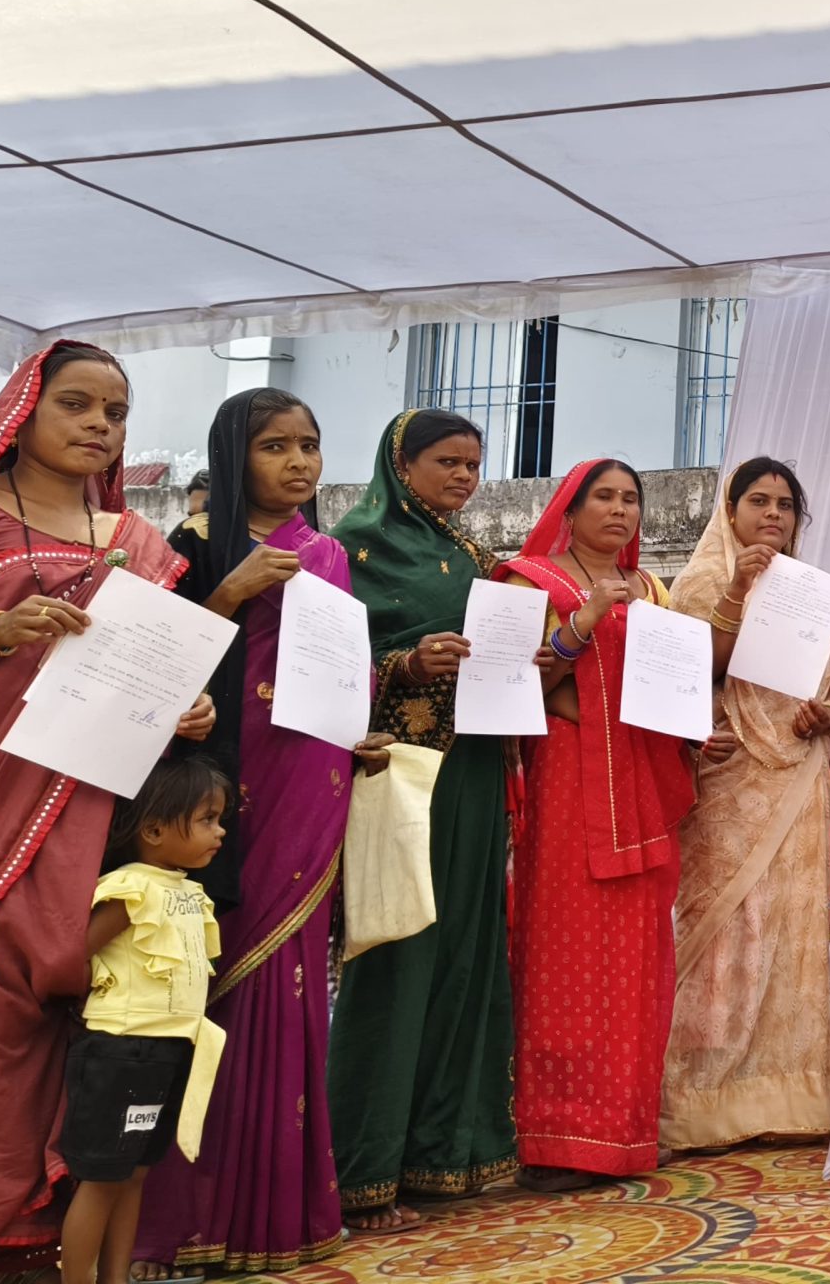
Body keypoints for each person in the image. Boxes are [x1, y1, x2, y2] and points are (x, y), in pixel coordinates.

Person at [0, 343, 215, 1284]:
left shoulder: (136, 540)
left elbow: (141, 673)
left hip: (86, 810)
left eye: (115, 410)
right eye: (76, 404)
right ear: (22, 411)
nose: (99, 424)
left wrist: (185, 707)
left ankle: (17, 1241)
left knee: (59, 1012)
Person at [134, 389, 391, 1277]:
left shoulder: (329, 553)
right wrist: (229, 592)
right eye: (275, 445)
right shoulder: (191, 544)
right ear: (234, 453)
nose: (298, 462)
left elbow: (338, 668)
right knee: (211, 976)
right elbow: (155, 664)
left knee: (294, 978)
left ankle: (275, 1215)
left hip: (312, 775)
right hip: (222, 783)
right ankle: (188, 1216)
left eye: (309, 445)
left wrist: (356, 729)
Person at [325, 410, 517, 1235]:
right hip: (399, 775)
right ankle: (362, 1170)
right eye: (447, 462)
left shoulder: (473, 555)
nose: (464, 477)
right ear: (400, 464)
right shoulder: (350, 550)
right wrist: (403, 662)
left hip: (472, 770)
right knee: (396, 956)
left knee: (466, 957)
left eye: (473, 464)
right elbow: (320, 663)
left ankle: (449, 1153)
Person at [498, 460, 694, 1189]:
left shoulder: (653, 590)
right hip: (568, 780)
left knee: (639, 959)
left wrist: (697, 730)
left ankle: (625, 1134)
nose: (620, 510)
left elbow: (670, 687)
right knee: (562, 950)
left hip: (640, 783)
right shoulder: (531, 582)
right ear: (569, 510)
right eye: (603, 497)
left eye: (630, 499)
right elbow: (512, 681)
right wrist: (579, 626)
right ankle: (555, 1139)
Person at [665, 457, 830, 1146]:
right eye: (758, 501)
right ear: (730, 511)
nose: (773, 514)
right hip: (727, 776)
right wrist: (739, 589)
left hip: (798, 774)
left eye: (785, 504)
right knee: (726, 925)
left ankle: (786, 1092)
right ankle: (702, 1096)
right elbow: (701, 667)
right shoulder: (696, 585)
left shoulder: (812, 589)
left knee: (790, 924)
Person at [64, 757, 229, 1284]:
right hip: (121, 1052)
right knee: (102, 1179)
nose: (220, 832)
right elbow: (76, 956)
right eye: (207, 819)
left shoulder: (189, 892)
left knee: (134, 1175)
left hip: (167, 1052)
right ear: (154, 830)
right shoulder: (130, 888)